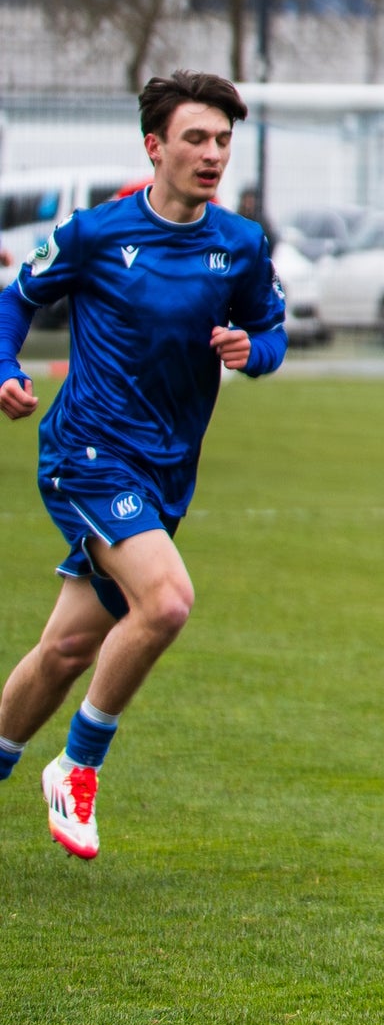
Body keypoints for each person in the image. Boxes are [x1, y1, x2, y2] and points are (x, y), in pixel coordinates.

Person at [0, 73, 288, 860]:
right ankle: (77, 766)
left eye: (224, 140)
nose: (213, 154)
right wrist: (4, 366)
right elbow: (13, 298)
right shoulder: (94, 233)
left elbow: (271, 331)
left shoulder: (240, 245)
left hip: (165, 474)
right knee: (165, 604)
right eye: (196, 138)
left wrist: (250, 351)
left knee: (65, 650)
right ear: (154, 147)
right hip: (87, 453)